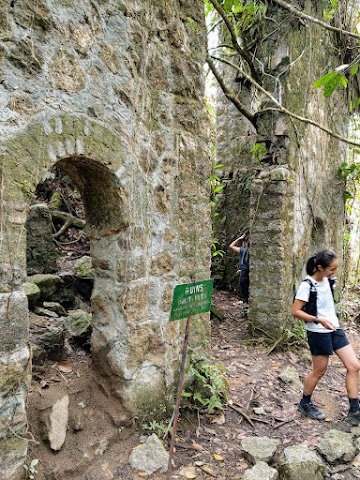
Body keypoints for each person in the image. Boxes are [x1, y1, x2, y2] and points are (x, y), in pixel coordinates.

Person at [292, 249, 360, 425]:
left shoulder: (328, 280)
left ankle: (354, 410)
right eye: (332, 269)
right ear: (320, 267)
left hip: (335, 329)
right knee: (319, 371)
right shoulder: (307, 285)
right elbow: (295, 311)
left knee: (353, 366)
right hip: (318, 332)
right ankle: (305, 403)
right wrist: (318, 319)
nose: (334, 272)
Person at [229, 234, 250, 304]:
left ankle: (245, 304)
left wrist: (239, 238)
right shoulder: (250, 252)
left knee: (244, 289)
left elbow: (231, 246)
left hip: (244, 273)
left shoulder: (243, 250)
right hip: (248, 271)